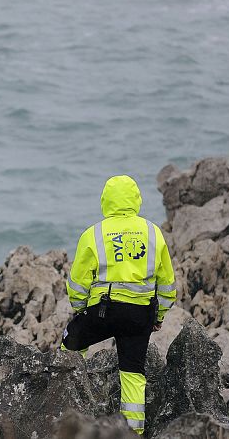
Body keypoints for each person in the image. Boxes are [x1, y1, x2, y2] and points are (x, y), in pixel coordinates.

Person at [60, 175, 176, 435]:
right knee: (133, 373)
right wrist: (159, 315)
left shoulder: (95, 233)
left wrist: (81, 311)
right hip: (139, 315)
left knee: (71, 342)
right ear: (136, 199)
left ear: (106, 200)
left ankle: (66, 403)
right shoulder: (152, 232)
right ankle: (133, 433)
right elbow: (167, 283)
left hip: (103, 312)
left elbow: (77, 283)